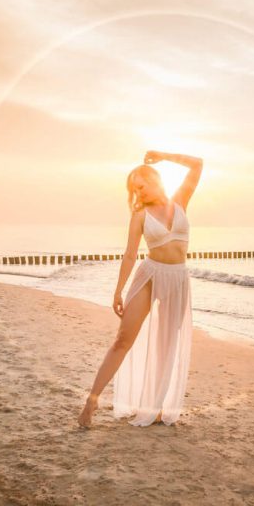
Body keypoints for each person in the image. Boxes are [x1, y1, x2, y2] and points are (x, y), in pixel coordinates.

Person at [78, 150, 203, 428]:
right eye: (134, 189)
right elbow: (130, 255)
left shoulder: (181, 200)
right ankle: (92, 401)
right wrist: (118, 291)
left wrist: (162, 155)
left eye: (141, 185)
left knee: (167, 345)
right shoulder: (140, 215)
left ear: (154, 179)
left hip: (177, 279)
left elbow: (197, 164)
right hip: (149, 276)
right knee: (123, 340)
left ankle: (155, 407)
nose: (138, 192)